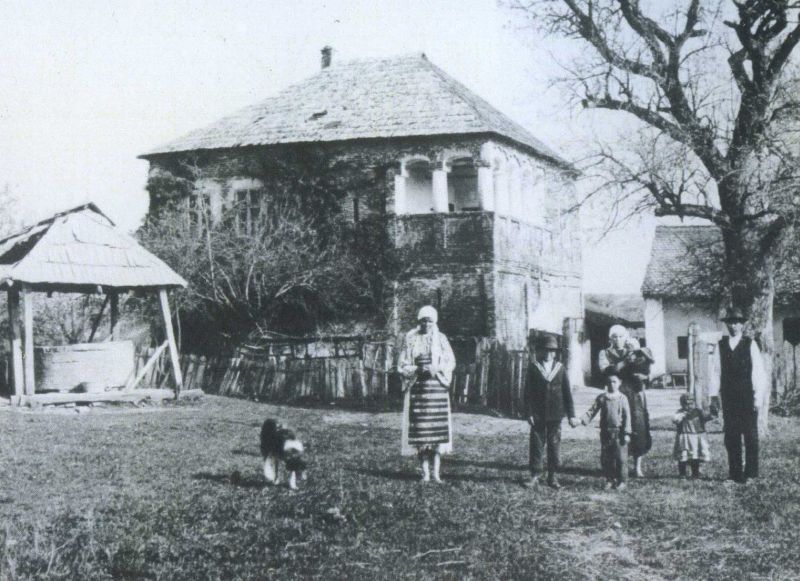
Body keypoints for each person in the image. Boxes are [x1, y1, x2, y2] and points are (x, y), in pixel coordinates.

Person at [709, 307, 768, 483]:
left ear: (742, 325)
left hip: (747, 397)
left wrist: (758, 399)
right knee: (731, 436)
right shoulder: (721, 346)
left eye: (736, 323)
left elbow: (758, 373)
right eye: (730, 323)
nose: (733, 326)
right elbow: (715, 372)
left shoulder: (750, 344)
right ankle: (735, 474)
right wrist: (713, 396)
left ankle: (751, 473)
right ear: (727, 325)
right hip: (729, 398)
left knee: (750, 436)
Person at [398, 305, 456, 483]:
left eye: (430, 321)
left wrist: (436, 368)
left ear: (434, 322)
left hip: (436, 389)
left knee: (437, 433)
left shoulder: (441, 338)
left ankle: (436, 474)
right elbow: (402, 364)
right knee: (421, 433)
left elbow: (450, 361)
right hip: (418, 390)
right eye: (423, 321)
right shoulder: (410, 338)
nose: (426, 324)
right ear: (419, 321)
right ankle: (425, 474)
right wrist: (416, 368)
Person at [598, 324, 654, 478]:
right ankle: (616, 465)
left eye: (620, 336)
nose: (617, 340)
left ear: (626, 338)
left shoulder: (634, 350)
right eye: (614, 337)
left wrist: (645, 376)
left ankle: (637, 467)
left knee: (638, 428)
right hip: (615, 393)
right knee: (616, 428)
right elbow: (606, 370)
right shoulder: (605, 353)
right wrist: (625, 362)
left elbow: (647, 368)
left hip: (634, 393)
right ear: (610, 339)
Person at [522, 335, 577, 490]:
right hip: (538, 414)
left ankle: (552, 476)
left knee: (554, 445)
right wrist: (529, 413)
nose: (548, 354)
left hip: (556, 414)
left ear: (555, 353)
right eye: (545, 350)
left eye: (552, 351)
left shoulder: (560, 368)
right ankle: (534, 476)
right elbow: (528, 393)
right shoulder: (534, 368)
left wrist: (571, 414)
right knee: (536, 445)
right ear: (540, 351)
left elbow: (567, 393)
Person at [579, 370, 632, 490]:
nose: (611, 384)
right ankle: (610, 479)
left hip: (619, 433)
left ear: (619, 382)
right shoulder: (602, 398)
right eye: (609, 382)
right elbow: (592, 411)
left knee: (621, 458)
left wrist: (627, 433)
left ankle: (622, 480)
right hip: (605, 432)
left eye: (614, 382)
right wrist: (582, 420)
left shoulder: (622, 398)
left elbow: (627, 416)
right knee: (607, 458)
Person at [672, 393, 712, 479]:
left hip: (695, 438)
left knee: (695, 456)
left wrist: (711, 413)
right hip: (684, 438)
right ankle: (682, 474)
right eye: (686, 404)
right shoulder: (680, 413)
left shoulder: (698, 412)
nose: (689, 406)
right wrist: (683, 415)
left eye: (691, 403)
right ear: (682, 404)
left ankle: (695, 473)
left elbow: (706, 417)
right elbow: (675, 420)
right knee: (683, 456)